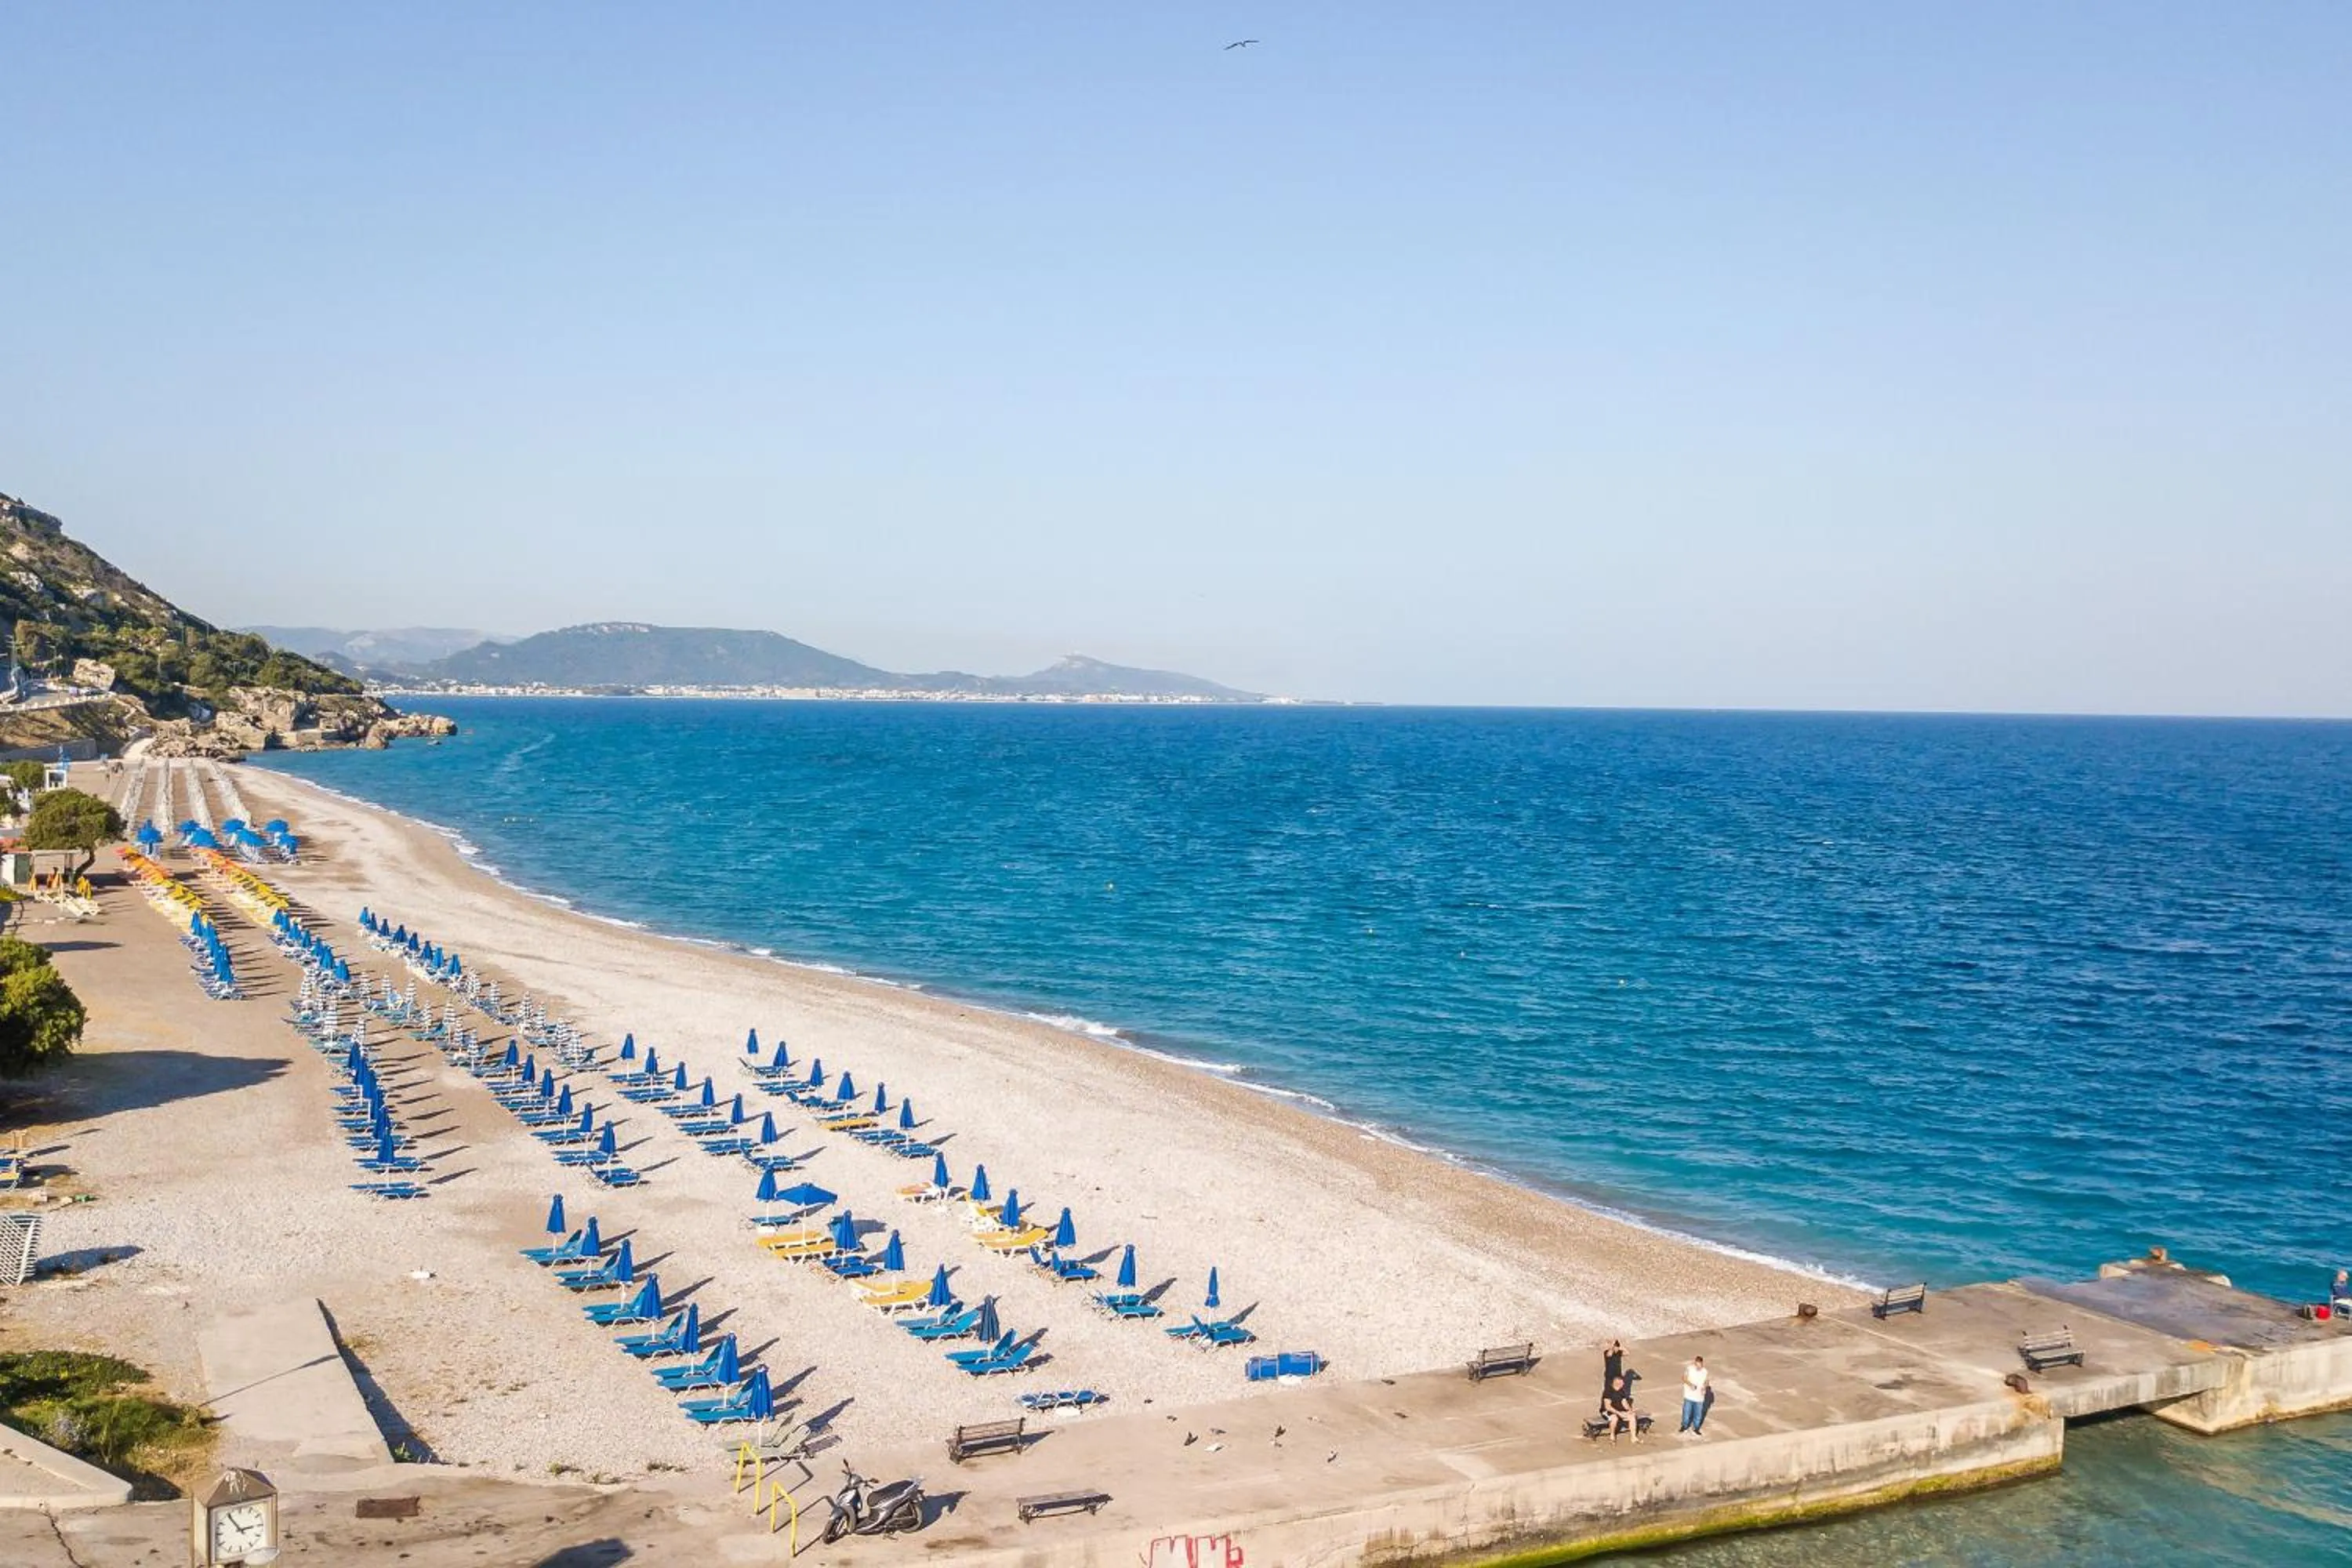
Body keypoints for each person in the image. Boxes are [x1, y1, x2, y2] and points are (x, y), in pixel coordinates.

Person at [1679, 1356, 1710, 1439]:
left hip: (1699, 1397)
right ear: (1695, 1363)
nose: (1698, 1366)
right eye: (1697, 1364)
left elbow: (1707, 1381)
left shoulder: (1705, 1371)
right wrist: (1690, 1385)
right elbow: (1684, 1378)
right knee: (1687, 1412)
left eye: (1700, 1365)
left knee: (1698, 1414)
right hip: (1689, 1396)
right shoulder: (1689, 1369)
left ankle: (1696, 1428)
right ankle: (1684, 1426)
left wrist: (1704, 1387)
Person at [1604, 1375, 1639, 1443]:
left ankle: (1633, 1437)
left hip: (1621, 1411)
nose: (1623, 1383)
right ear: (1617, 1383)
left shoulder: (1621, 1391)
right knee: (1614, 1418)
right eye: (1622, 1382)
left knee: (1632, 1416)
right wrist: (1619, 1413)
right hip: (1610, 1412)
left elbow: (1624, 1402)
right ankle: (1612, 1436)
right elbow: (1608, 1407)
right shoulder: (1608, 1392)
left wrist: (1630, 1410)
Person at [1600, 1339, 1625, 1406]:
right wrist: (1612, 1345)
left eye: (1617, 1347)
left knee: (1619, 1389)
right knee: (1608, 1390)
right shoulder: (1607, 1352)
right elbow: (1609, 1354)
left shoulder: (1619, 1353)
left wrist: (1621, 1346)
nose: (1617, 1348)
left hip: (1618, 1375)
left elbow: (1627, 1353)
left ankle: (1617, 1402)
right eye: (1616, 1347)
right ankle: (1605, 1405)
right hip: (1610, 1375)